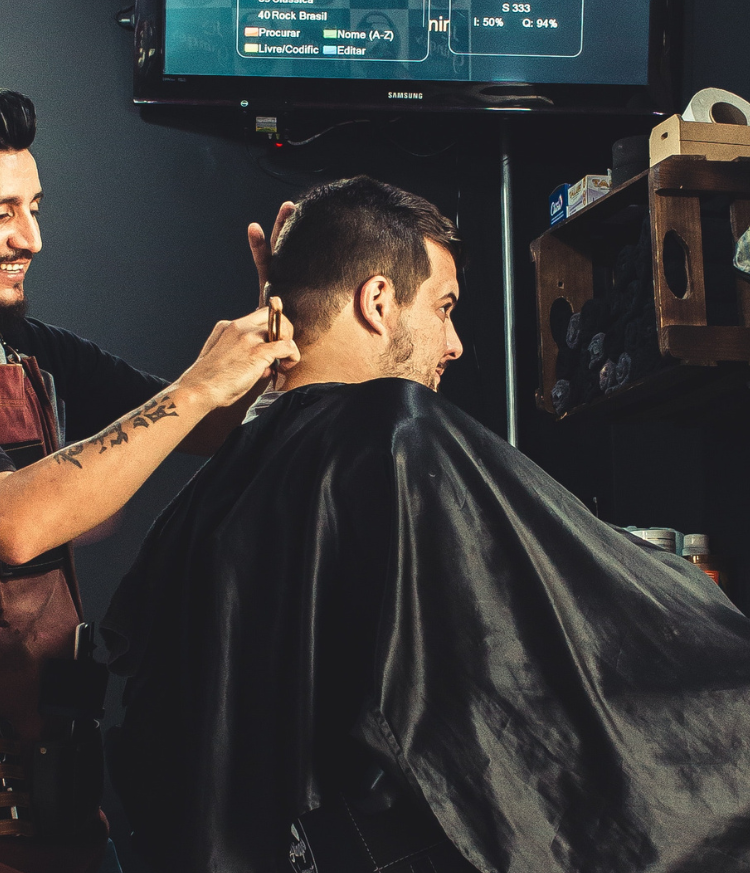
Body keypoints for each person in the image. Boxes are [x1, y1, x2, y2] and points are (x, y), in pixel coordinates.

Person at [105, 177, 750, 873]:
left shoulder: (193, 511)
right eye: (443, 309)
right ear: (379, 302)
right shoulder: (394, 436)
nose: (455, 344)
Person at [0, 88, 298, 873]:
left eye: (34, 207)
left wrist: (277, 329)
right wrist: (198, 384)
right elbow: (15, 521)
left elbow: (197, 429)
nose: (31, 237)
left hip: (52, 791)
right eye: (3, 213)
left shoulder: (37, 350)